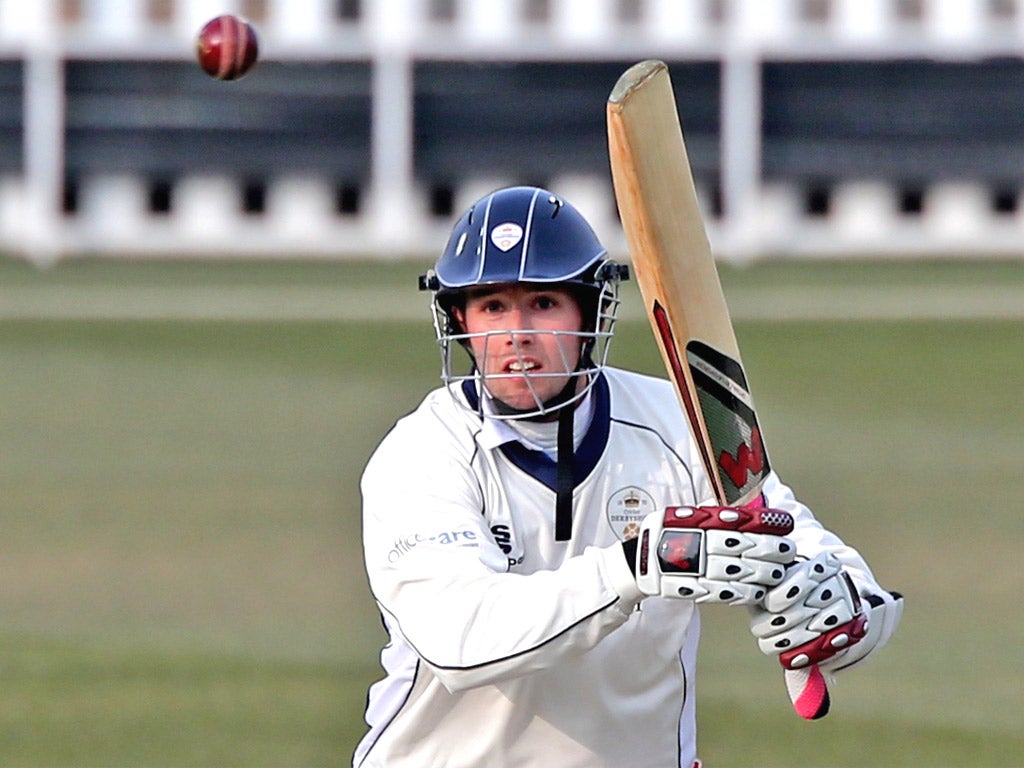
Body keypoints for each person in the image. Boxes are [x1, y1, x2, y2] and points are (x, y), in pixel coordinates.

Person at [353, 186, 902, 768]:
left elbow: (798, 540)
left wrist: (840, 611)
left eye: (543, 303)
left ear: (588, 312)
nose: (516, 333)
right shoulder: (421, 454)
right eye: (492, 306)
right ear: (457, 319)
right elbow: (460, 641)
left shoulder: (682, 422)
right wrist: (637, 566)